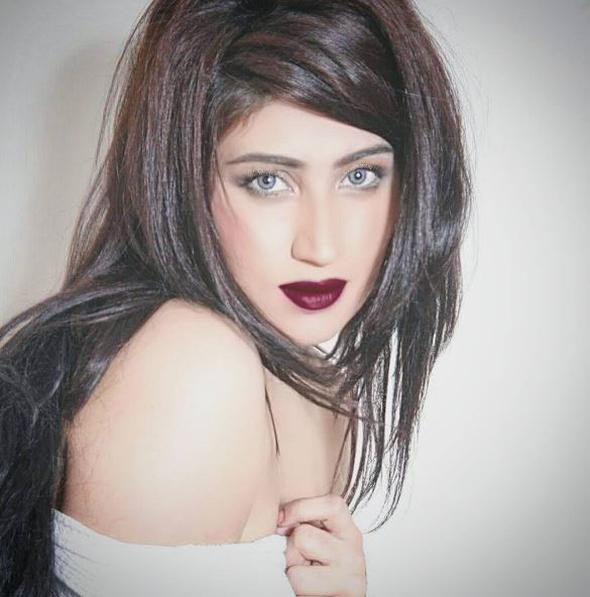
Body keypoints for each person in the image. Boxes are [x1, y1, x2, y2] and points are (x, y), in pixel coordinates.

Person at [0, 0, 471, 595]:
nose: (321, 246)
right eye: (268, 181)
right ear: (185, 182)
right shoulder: (193, 362)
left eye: (360, 176)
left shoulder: (330, 396)